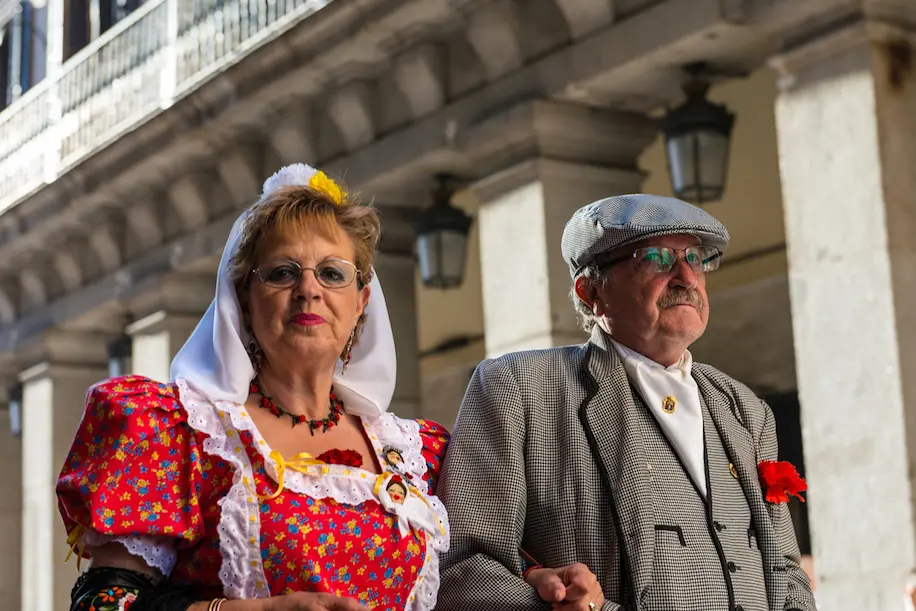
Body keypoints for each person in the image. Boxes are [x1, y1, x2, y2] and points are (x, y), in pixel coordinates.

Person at [57, 164, 450, 611]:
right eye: (283, 272)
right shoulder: (184, 435)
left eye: (332, 273)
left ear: (361, 301)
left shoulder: (419, 454)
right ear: (244, 299)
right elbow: (102, 605)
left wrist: (531, 578)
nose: (308, 289)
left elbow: (475, 575)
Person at [437, 194, 815, 611]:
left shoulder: (745, 410)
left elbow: (786, 571)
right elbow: (461, 570)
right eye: (656, 258)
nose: (686, 277)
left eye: (694, 258)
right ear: (591, 290)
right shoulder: (519, 388)